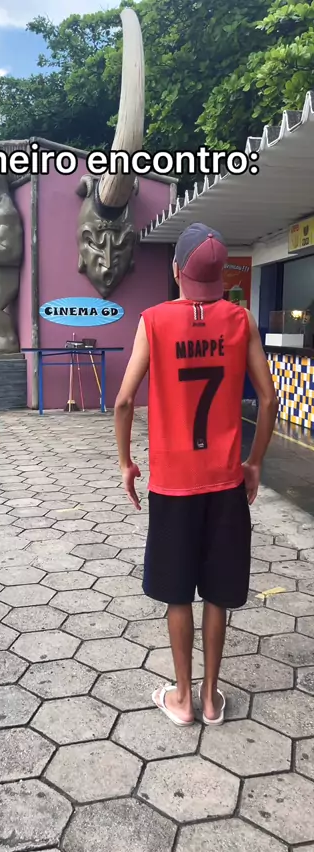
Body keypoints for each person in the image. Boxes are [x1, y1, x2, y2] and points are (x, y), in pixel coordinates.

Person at [114, 222, 278, 727]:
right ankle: (210, 698)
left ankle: (181, 698)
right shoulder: (241, 320)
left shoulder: (154, 321)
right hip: (225, 483)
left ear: (176, 270)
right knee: (218, 593)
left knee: (177, 593)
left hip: (173, 485)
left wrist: (126, 462)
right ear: (223, 274)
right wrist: (254, 462)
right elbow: (269, 398)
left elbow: (124, 401)